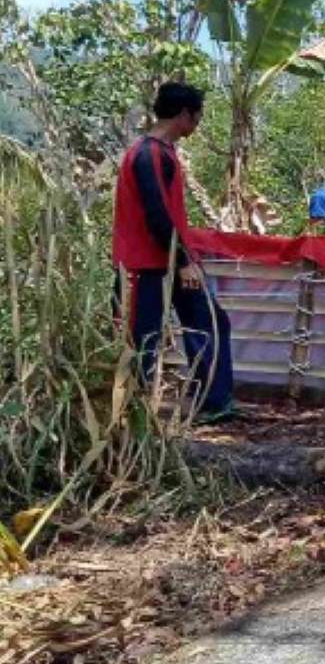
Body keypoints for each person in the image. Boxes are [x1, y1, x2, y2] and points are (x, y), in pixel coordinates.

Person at [112, 82, 237, 421]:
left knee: (211, 322)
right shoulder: (147, 153)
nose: (197, 125)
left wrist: (183, 260)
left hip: (172, 260)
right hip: (143, 266)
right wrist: (182, 261)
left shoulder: (164, 153)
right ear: (183, 115)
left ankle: (215, 402)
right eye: (197, 117)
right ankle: (131, 415)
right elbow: (156, 213)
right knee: (141, 340)